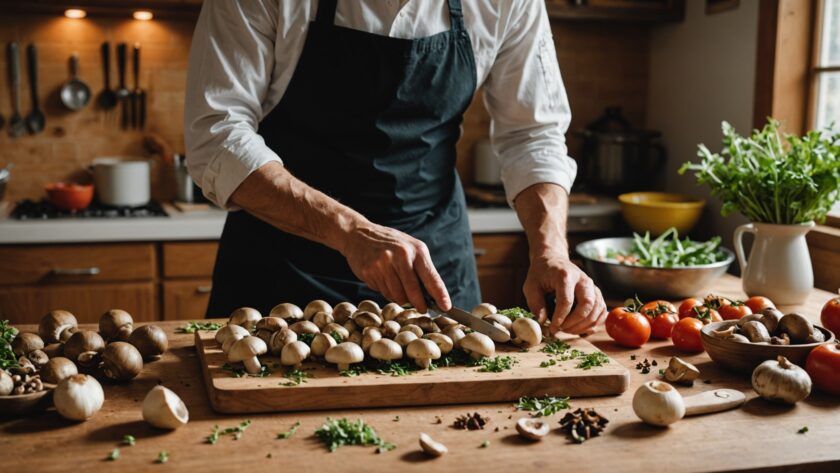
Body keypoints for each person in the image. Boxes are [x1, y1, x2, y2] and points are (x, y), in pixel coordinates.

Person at [184, 0, 607, 335]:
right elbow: (216, 136)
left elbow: (532, 134)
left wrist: (550, 250)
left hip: (435, 271)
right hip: (283, 267)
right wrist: (351, 233)